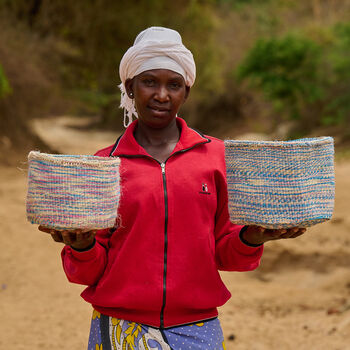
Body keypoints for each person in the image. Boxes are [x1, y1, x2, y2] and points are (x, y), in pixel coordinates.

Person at [39, 26, 306, 350]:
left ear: (186, 92)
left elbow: (226, 253)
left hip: (197, 328)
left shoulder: (217, 157)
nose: (162, 95)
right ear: (130, 87)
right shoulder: (103, 165)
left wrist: (252, 237)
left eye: (174, 85)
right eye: (150, 81)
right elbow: (87, 271)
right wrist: (81, 247)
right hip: (121, 328)